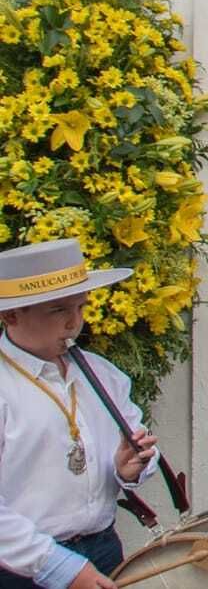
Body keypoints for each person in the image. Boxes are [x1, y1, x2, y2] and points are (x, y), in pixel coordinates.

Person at [0, 238, 158, 589]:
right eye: (58, 310)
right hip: (17, 568)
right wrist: (59, 567)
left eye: (81, 307)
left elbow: (136, 438)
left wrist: (129, 468)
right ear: (10, 314)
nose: (75, 323)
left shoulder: (102, 374)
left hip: (102, 548)